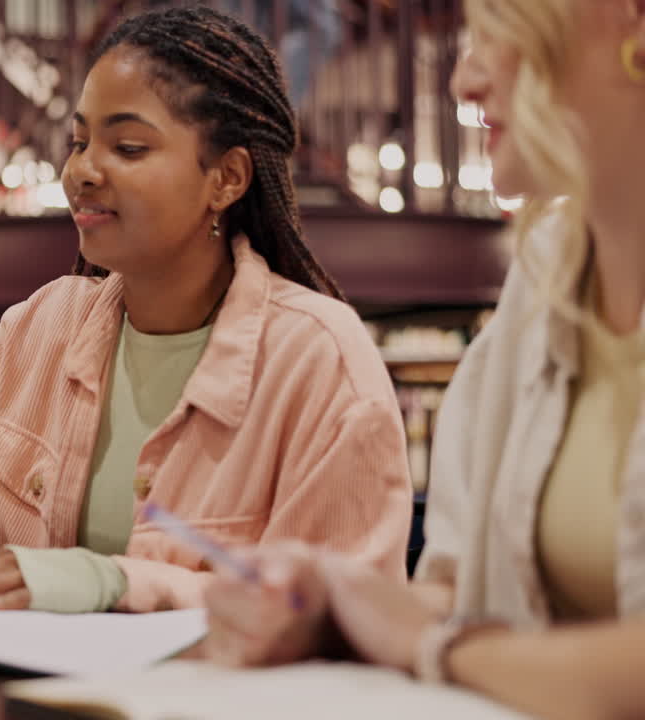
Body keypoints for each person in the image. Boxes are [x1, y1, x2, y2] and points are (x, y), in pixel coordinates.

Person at [0, 6, 411, 615]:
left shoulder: (319, 359)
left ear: (227, 178)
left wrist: (112, 582)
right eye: (78, 141)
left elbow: (344, 609)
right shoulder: (48, 324)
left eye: (128, 148)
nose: (81, 172)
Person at [200, 1, 645, 717]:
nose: (465, 78)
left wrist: (439, 651)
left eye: (503, 28)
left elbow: (454, 640)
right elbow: (466, 596)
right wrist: (335, 602)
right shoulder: (535, 293)